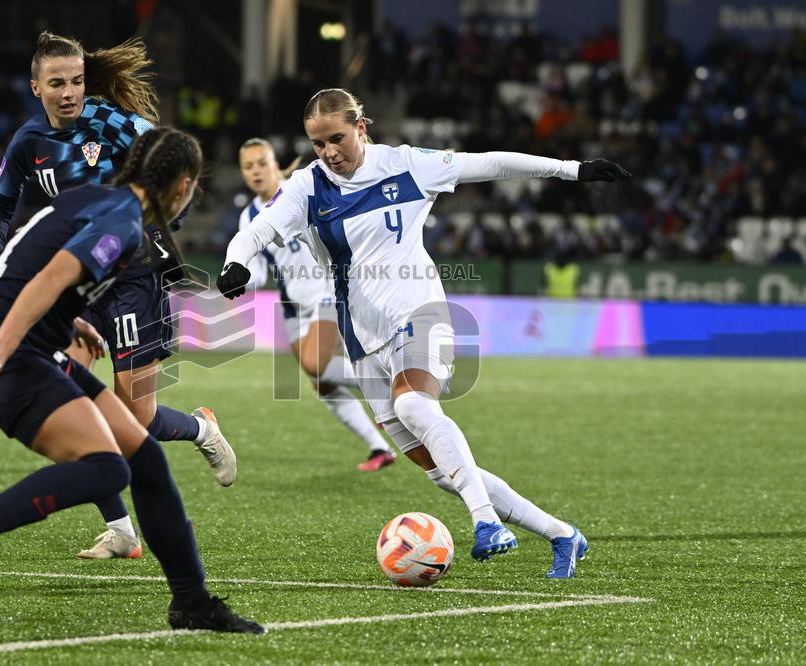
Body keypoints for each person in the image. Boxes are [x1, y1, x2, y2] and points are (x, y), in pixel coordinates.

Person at [218, 88, 631, 578]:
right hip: (360, 337)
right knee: (441, 472)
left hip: (420, 309)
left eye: (337, 138)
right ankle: (563, 534)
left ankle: (487, 524)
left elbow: (493, 163)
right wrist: (235, 262)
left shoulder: (409, 165)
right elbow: (258, 230)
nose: (328, 151)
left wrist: (572, 170)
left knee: (416, 404)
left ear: (362, 127)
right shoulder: (308, 187)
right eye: (317, 143)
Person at [0, 127, 263, 633]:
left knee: (144, 456)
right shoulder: (123, 223)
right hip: (5, 353)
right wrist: (1, 343)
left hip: (26, 344)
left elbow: (33, 258)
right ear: (182, 186)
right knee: (108, 469)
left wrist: (69, 321)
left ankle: (192, 603)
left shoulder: (98, 199)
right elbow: (52, 276)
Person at [0, 32, 235, 560]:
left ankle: (199, 428)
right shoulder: (29, 142)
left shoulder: (115, 123)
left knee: (133, 419)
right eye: (57, 83)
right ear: (36, 87)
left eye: (76, 80)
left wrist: (163, 221)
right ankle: (121, 529)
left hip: (132, 278)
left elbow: (177, 165)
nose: (69, 91)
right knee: (69, 407)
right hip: (76, 284)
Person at [237, 138, 395, 471]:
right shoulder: (249, 215)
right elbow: (258, 268)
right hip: (293, 305)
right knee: (322, 383)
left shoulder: (300, 190)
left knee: (314, 365)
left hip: (327, 290)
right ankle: (379, 447)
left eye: (261, 163)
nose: (256, 171)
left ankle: (387, 385)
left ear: (276, 165)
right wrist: (242, 279)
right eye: (248, 166)